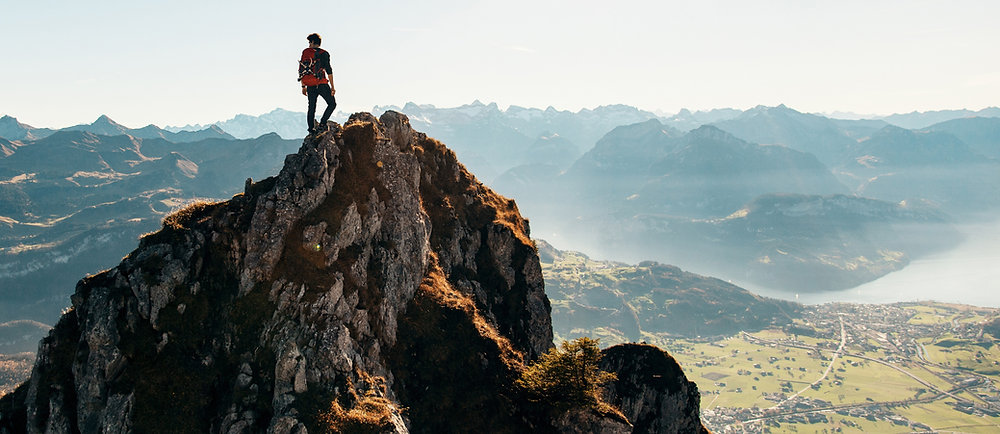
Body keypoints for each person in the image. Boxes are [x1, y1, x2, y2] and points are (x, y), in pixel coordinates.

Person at [298, 33, 336, 135]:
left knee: (311, 108)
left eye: (309, 42)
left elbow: (301, 70)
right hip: (321, 83)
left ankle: (311, 129)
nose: (309, 44)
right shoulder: (324, 53)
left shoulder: (305, 53)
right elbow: (329, 70)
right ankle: (322, 124)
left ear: (313, 42)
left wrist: (303, 86)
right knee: (332, 104)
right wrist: (332, 87)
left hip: (310, 85)